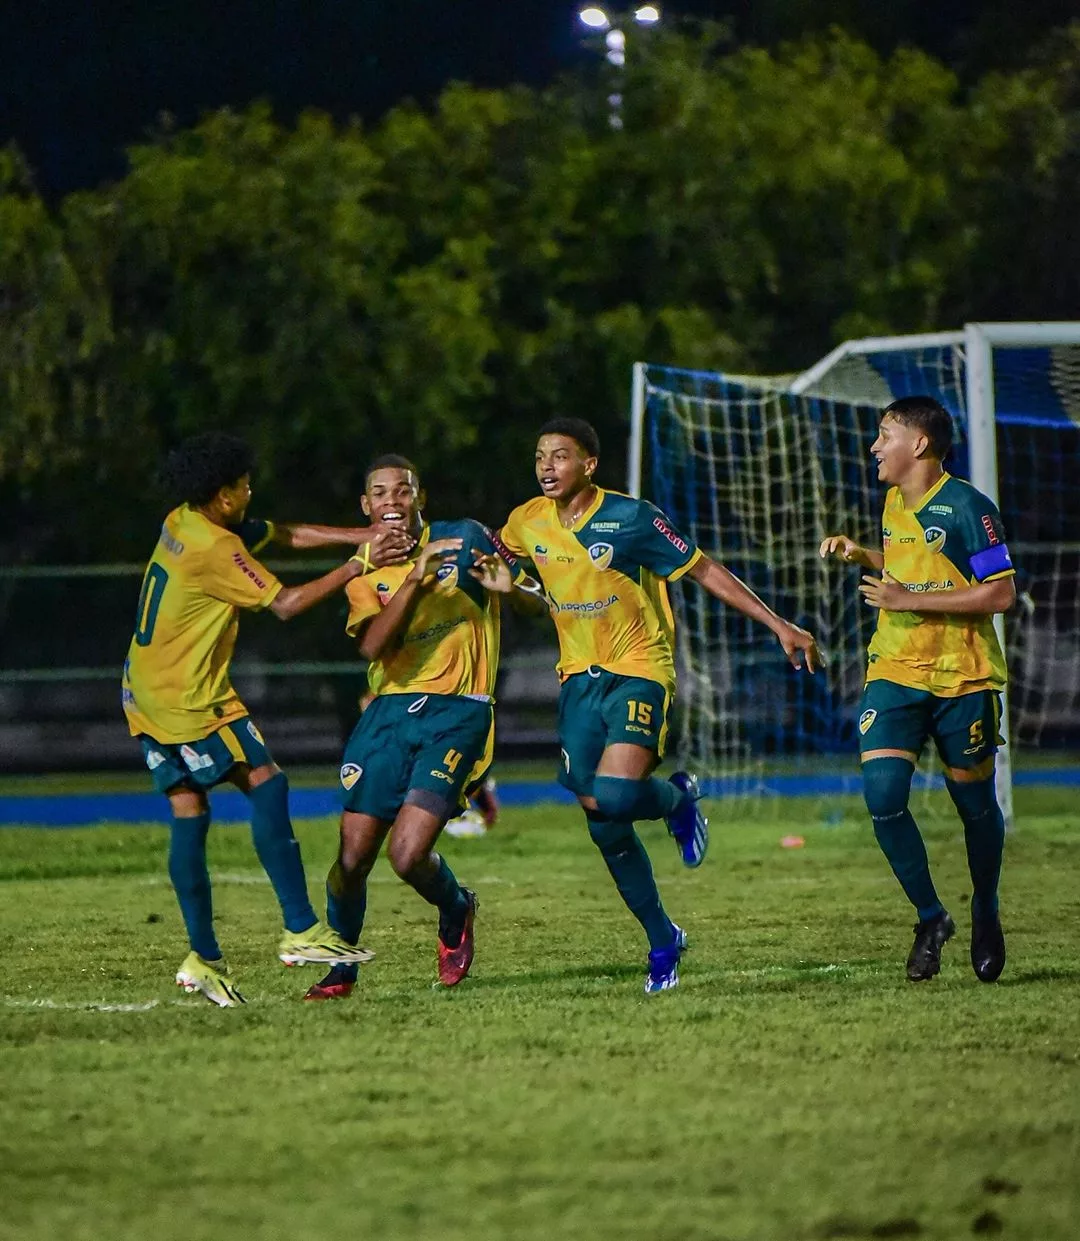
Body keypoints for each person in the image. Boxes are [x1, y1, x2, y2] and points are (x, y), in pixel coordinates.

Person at [483, 418, 820, 994]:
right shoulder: (526, 521)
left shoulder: (632, 518)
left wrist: (777, 623)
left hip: (639, 671)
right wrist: (501, 584)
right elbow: (511, 574)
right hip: (576, 681)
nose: (546, 466)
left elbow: (704, 568)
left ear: (589, 465)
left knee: (615, 796)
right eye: (540, 456)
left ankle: (676, 800)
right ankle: (664, 939)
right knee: (602, 820)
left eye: (560, 456)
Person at [122, 431, 414, 1008]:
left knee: (189, 810)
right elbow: (285, 604)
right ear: (225, 495)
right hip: (190, 698)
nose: (251, 490)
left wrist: (365, 535)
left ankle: (203, 958)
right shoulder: (213, 548)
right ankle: (301, 929)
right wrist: (359, 562)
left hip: (141, 689)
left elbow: (285, 533)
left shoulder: (183, 520)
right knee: (268, 781)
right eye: (244, 484)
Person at [820, 395, 1015, 983]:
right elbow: (912, 565)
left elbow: (1000, 592)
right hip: (895, 673)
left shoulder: (968, 508)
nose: (875, 446)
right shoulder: (891, 503)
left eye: (885, 435)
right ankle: (931, 917)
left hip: (963, 678)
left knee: (974, 807)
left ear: (919, 444)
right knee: (882, 798)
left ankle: (985, 908)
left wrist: (907, 600)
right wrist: (864, 556)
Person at [304, 455, 509, 1001]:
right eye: (380, 493)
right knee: (350, 861)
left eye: (403, 490)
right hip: (390, 713)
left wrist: (516, 589)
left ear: (421, 499)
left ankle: (456, 907)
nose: (392, 501)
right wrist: (415, 581)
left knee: (407, 855)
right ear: (365, 507)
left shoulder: (463, 539)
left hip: (458, 710)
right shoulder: (365, 568)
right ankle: (341, 968)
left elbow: (522, 590)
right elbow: (373, 646)